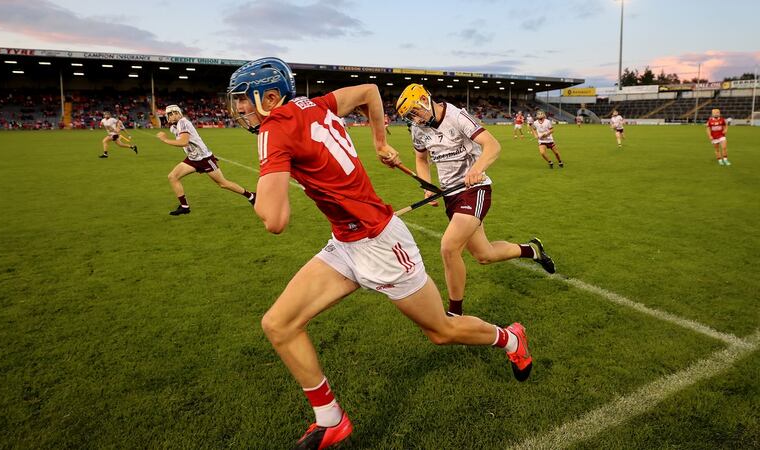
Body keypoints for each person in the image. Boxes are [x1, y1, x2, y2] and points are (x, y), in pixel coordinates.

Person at [227, 57, 533, 449]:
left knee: (441, 330)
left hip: (381, 242)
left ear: (270, 96)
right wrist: (378, 141)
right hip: (345, 242)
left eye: (243, 101)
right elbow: (370, 93)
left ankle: (510, 339)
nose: (239, 109)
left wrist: (265, 175)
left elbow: (274, 220)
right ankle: (330, 419)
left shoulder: (273, 130)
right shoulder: (314, 104)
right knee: (279, 324)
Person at [395, 83, 555, 317]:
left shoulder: (457, 116)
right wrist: (427, 186)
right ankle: (532, 251)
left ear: (423, 101)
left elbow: (492, 145)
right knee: (484, 255)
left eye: (415, 113)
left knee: (448, 248)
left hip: (475, 190)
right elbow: (421, 159)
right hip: (451, 195)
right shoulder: (419, 129)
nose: (415, 120)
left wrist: (477, 169)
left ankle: (454, 315)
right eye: (410, 117)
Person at [155, 105, 255, 215]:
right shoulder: (173, 127)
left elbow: (184, 142)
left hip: (204, 158)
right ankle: (184, 207)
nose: (172, 116)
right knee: (173, 176)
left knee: (223, 183)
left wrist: (164, 139)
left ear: (179, 113)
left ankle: (251, 196)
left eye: (174, 113)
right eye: (170, 114)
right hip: (193, 158)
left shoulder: (183, 122)